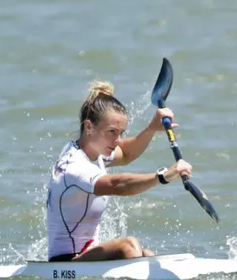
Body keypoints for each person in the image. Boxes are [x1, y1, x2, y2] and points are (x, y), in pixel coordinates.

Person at [46, 80, 193, 262]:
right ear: (89, 127)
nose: (117, 140)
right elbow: (117, 185)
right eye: (112, 132)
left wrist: (151, 129)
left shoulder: (94, 151)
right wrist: (162, 176)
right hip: (65, 263)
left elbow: (125, 154)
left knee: (146, 254)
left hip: (87, 258)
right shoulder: (73, 166)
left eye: (121, 133)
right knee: (128, 247)